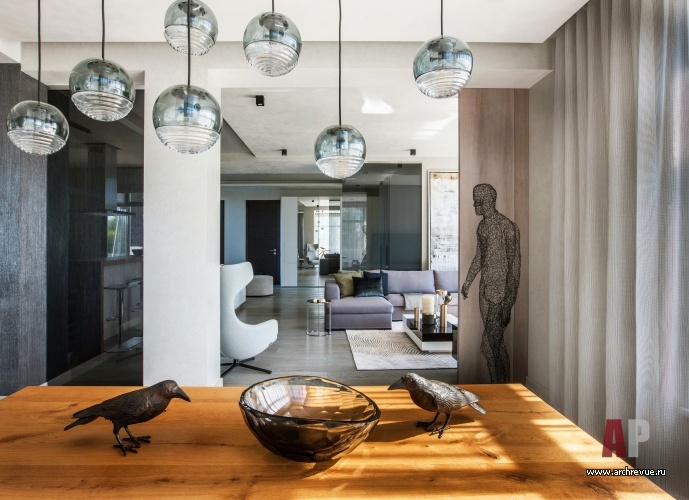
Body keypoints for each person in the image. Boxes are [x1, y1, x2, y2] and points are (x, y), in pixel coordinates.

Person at [461, 184, 520, 383]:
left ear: (491, 200)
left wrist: (508, 302)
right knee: (496, 345)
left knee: (487, 345)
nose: (475, 204)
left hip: (500, 293)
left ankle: (500, 386)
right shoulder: (482, 227)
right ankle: (501, 386)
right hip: (484, 290)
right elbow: (480, 257)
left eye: (479, 200)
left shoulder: (507, 226)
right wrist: (468, 282)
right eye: (474, 199)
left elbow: (514, 266)